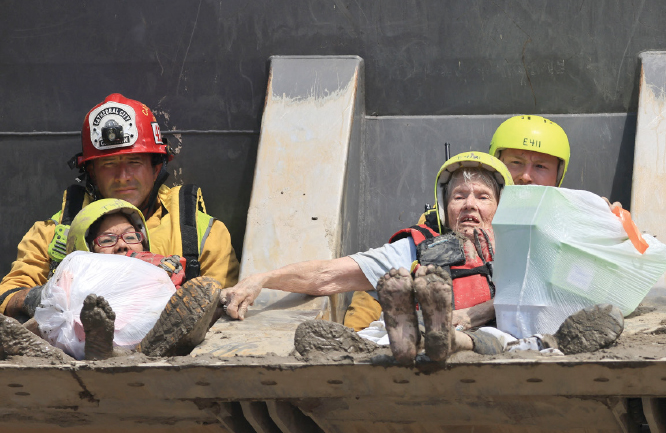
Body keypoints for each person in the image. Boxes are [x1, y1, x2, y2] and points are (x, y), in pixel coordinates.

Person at [221, 151, 623, 365]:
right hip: (413, 340)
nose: (469, 206)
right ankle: (394, 333)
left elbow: (591, 273)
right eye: (458, 197)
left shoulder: (527, 244)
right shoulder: (419, 247)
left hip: (490, 341)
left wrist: (605, 221)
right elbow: (328, 276)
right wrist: (262, 277)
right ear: (443, 205)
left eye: (482, 197)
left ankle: (438, 334)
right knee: (381, 326)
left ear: (502, 206)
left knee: (502, 339)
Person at [0, 93, 239, 324]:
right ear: (91, 172)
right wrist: (51, 296)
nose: (123, 176)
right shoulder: (53, 234)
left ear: (156, 167)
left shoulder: (202, 232)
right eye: (108, 164)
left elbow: (228, 304)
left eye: (134, 161)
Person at [344, 114, 572, 333]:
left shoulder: (569, 226)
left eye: (541, 166)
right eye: (515, 162)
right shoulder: (442, 222)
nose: (525, 176)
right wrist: (357, 334)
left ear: (557, 177)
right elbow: (384, 272)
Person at [0, 199, 221, 361]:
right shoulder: (73, 273)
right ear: (86, 250)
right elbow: (4, 299)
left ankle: (116, 351)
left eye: (131, 236)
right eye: (107, 240)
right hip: (75, 341)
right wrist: (46, 298)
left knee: (189, 305)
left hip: (149, 342)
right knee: (52, 322)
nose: (122, 244)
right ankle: (36, 347)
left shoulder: (163, 269)